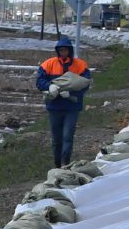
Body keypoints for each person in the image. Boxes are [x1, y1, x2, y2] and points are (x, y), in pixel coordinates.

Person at [35, 36, 89, 168]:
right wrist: (49, 86)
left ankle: (66, 163)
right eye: (61, 50)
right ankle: (57, 164)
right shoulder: (48, 64)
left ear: (69, 51)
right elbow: (39, 81)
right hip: (55, 107)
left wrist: (71, 93)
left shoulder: (80, 65)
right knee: (56, 139)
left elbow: (85, 84)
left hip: (72, 107)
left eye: (65, 50)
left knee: (67, 136)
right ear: (58, 51)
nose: (63, 52)